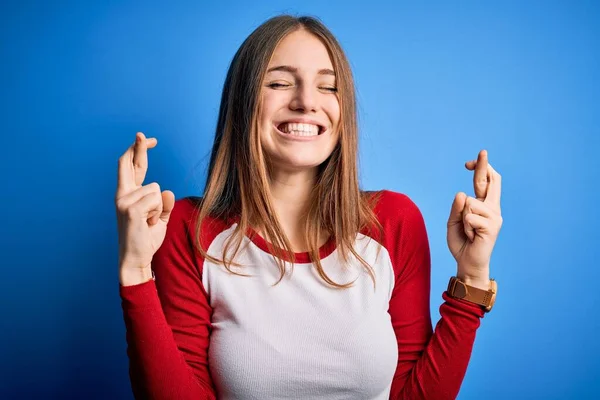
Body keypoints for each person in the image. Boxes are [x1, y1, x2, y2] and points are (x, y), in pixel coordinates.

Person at [115, 14, 503, 400]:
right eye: (280, 83)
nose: (306, 102)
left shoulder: (394, 222)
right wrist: (135, 269)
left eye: (328, 87)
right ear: (244, 102)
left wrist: (472, 276)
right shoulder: (190, 229)